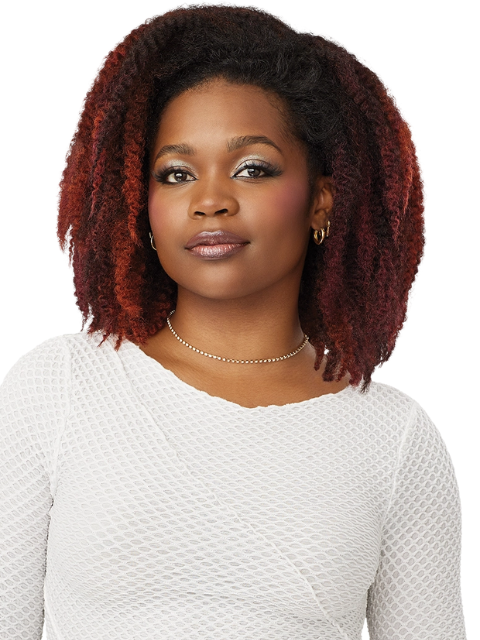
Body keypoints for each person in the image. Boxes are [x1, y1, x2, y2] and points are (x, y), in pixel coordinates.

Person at [0, 5, 466, 639]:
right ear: (141, 202)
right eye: (176, 174)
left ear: (321, 199)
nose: (210, 199)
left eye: (252, 169)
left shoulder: (394, 440)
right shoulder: (58, 389)